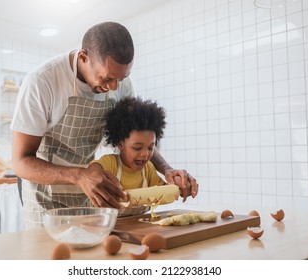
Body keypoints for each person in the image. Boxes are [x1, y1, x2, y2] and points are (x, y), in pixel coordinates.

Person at [11, 21, 198, 229]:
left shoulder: (122, 84)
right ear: (84, 57)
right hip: (43, 195)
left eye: (122, 77)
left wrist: (167, 170)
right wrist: (79, 176)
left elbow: (136, 139)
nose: (114, 87)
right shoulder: (42, 82)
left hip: (90, 190)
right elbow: (20, 162)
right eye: (107, 78)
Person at [90, 97, 171, 216]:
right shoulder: (111, 163)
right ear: (120, 144)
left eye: (150, 148)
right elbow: (93, 171)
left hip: (139, 227)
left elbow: (164, 191)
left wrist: (178, 186)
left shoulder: (148, 169)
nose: (145, 154)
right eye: (137, 148)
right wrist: (95, 173)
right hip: (109, 228)